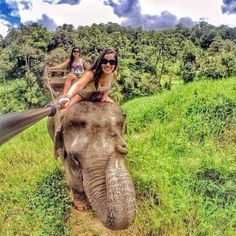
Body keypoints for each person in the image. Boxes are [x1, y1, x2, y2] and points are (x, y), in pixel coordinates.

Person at [57, 48, 118, 116]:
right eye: (104, 61)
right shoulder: (90, 74)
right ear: (100, 62)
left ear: (115, 64)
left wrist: (105, 97)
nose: (108, 65)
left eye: (112, 62)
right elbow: (79, 85)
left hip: (98, 95)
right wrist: (68, 97)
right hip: (83, 96)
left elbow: (108, 87)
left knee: (118, 112)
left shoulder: (113, 74)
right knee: (63, 112)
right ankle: (59, 126)